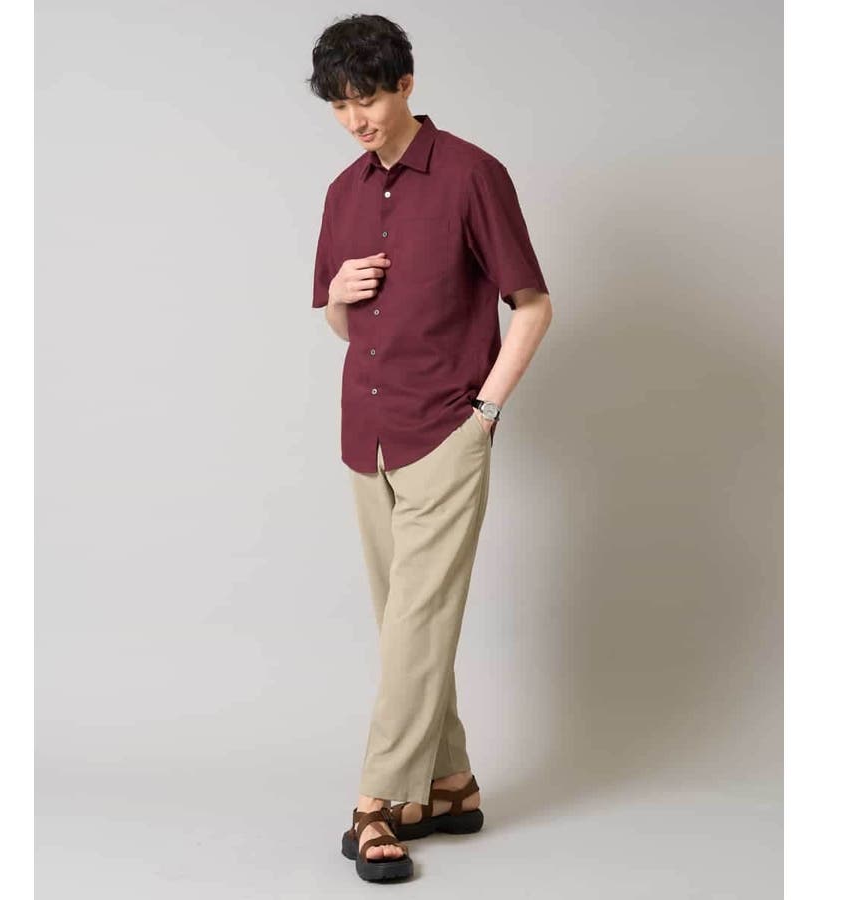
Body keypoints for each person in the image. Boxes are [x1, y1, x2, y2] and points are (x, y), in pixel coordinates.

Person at [308, 13, 553, 883]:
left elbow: (533, 305)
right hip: (366, 435)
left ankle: (377, 803)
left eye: (367, 99)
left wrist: (484, 412)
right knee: (406, 624)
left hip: (446, 429)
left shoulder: (473, 175)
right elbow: (345, 327)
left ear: (406, 84)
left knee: (414, 623)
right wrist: (339, 296)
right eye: (339, 105)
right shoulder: (342, 192)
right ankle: (450, 785)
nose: (355, 119)